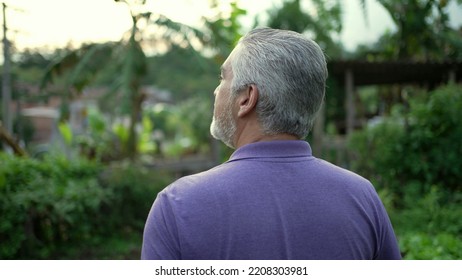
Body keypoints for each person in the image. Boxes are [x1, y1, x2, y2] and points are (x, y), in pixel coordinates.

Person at [141, 27, 401, 260]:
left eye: (223, 78)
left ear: (246, 98)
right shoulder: (362, 197)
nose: (216, 90)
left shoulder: (177, 206)